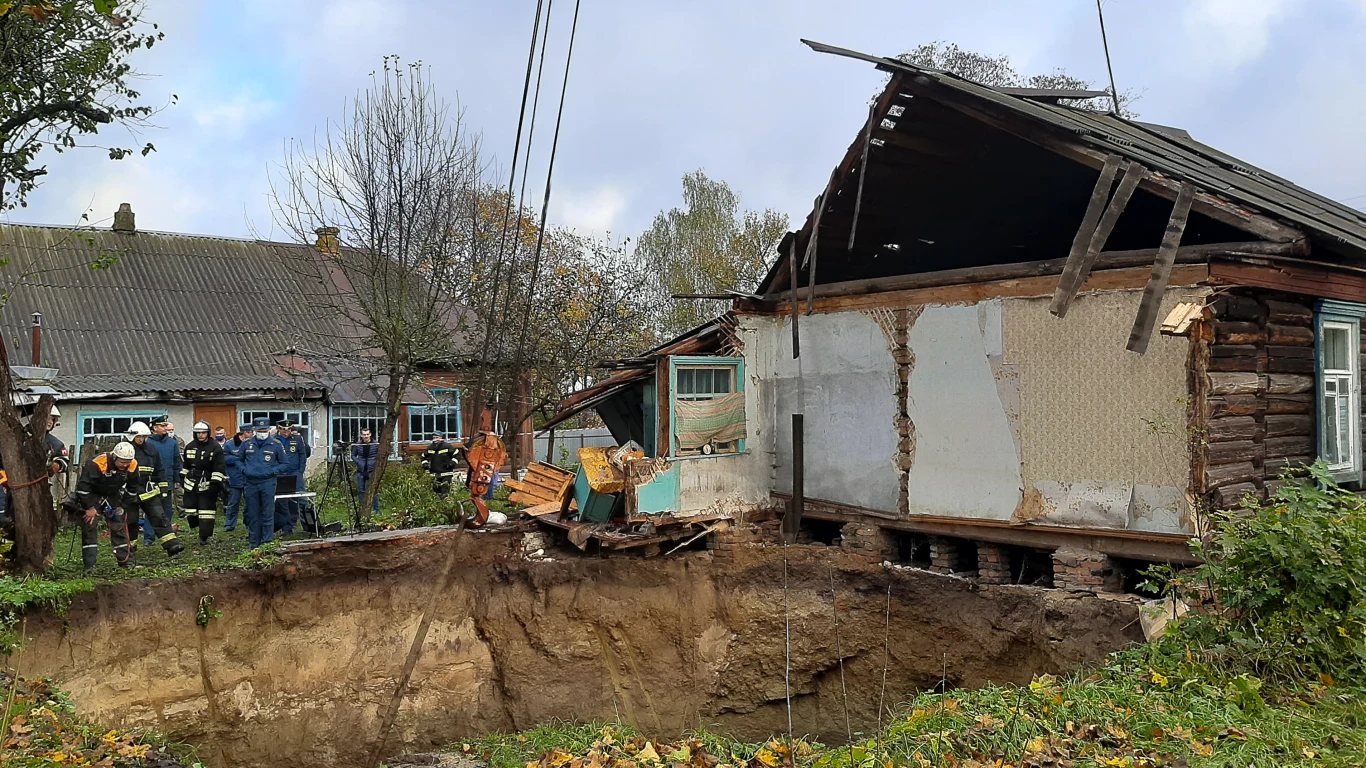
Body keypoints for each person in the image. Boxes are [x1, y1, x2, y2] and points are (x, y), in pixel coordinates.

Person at [61, 442, 141, 574]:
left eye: (128, 462)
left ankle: (126, 561)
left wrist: (122, 507)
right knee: (90, 525)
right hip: (92, 494)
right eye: (122, 462)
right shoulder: (96, 463)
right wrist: (89, 508)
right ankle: (89, 565)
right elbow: (83, 489)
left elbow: (132, 489)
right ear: (114, 457)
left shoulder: (132, 465)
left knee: (119, 524)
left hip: (113, 494)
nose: (125, 465)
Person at [122, 422, 183, 558]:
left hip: (148, 489)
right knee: (130, 521)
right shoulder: (124, 449)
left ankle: (171, 544)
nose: (141, 439)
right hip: (129, 490)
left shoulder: (151, 449)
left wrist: (163, 488)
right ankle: (129, 548)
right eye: (138, 437)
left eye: (143, 437)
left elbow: (159, 469)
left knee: (159, 516)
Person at [240, 417, 286, 548]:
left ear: (268, 430)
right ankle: (254, 542)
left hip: (268, 482)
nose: (262, 432)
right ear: (254, 430)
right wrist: (244, 470)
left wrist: (273, 471)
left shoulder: (276, 444)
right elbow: (237, 460)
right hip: (250, 483)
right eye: (259, 430)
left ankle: (267, 542)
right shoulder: (247, 444)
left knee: (267, 513)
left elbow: (285, 463)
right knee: (253, 514)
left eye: (264, 430)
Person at [182, 420, 228, 543]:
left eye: (203, 432)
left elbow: (219, 467)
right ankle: (195, 525)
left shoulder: (215, 447)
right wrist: (182, 478)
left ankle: (204, 536)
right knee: (190, 509)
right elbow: (185, 465)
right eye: (198, 433)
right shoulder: (190, 446)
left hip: (208, 483)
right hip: (191, 483)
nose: (200, 435)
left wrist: (214, 484)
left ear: (207, 433)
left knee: (206, 511)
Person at [146, 417, 182, 543]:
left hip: (168, 481)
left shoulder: (172, 443)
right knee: (151, 510)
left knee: (167, 509)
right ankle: (149, 537)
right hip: (151, 483)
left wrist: (177, 480)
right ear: (155, 428)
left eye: (166, 426)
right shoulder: (148, 443)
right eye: (162, 426)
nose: (165, 428)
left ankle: (166, 535)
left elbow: (177, 462)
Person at [273, 420, 307, 534]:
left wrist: (300, 470)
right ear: (278, 428)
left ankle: (304, 524)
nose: (286, 432)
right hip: (280, 474)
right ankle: (285, 527)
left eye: (288, 430)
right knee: (282, 501)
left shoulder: (297, 439)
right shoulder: (273, 440)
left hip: (295, 473)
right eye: (283, 429)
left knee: (299, 498)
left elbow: (303, 454)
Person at [221, 424, 251, 532]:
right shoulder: (229, 445)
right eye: (250, 432)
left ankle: (249, 524)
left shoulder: (252, 444)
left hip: (249, 478)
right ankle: (229, 525)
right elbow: (224, 459)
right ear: (244, 433)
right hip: (235, 478)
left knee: (250, 504)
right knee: (233, 503)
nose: (252, 434)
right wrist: (239, 458)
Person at [350, 428, 381, 514]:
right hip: (361, 470)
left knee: (373, 491)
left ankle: (376, 510)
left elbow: (380, 455)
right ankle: (362, 510)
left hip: (372, 470)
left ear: (370, 434)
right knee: (361, 491)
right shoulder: (358, 445)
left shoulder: (376, 444)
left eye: (367, 434)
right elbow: (353, 455)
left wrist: (375, 464)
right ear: (361, 435)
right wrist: (358, 462)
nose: (366, 436)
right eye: (364, 435)